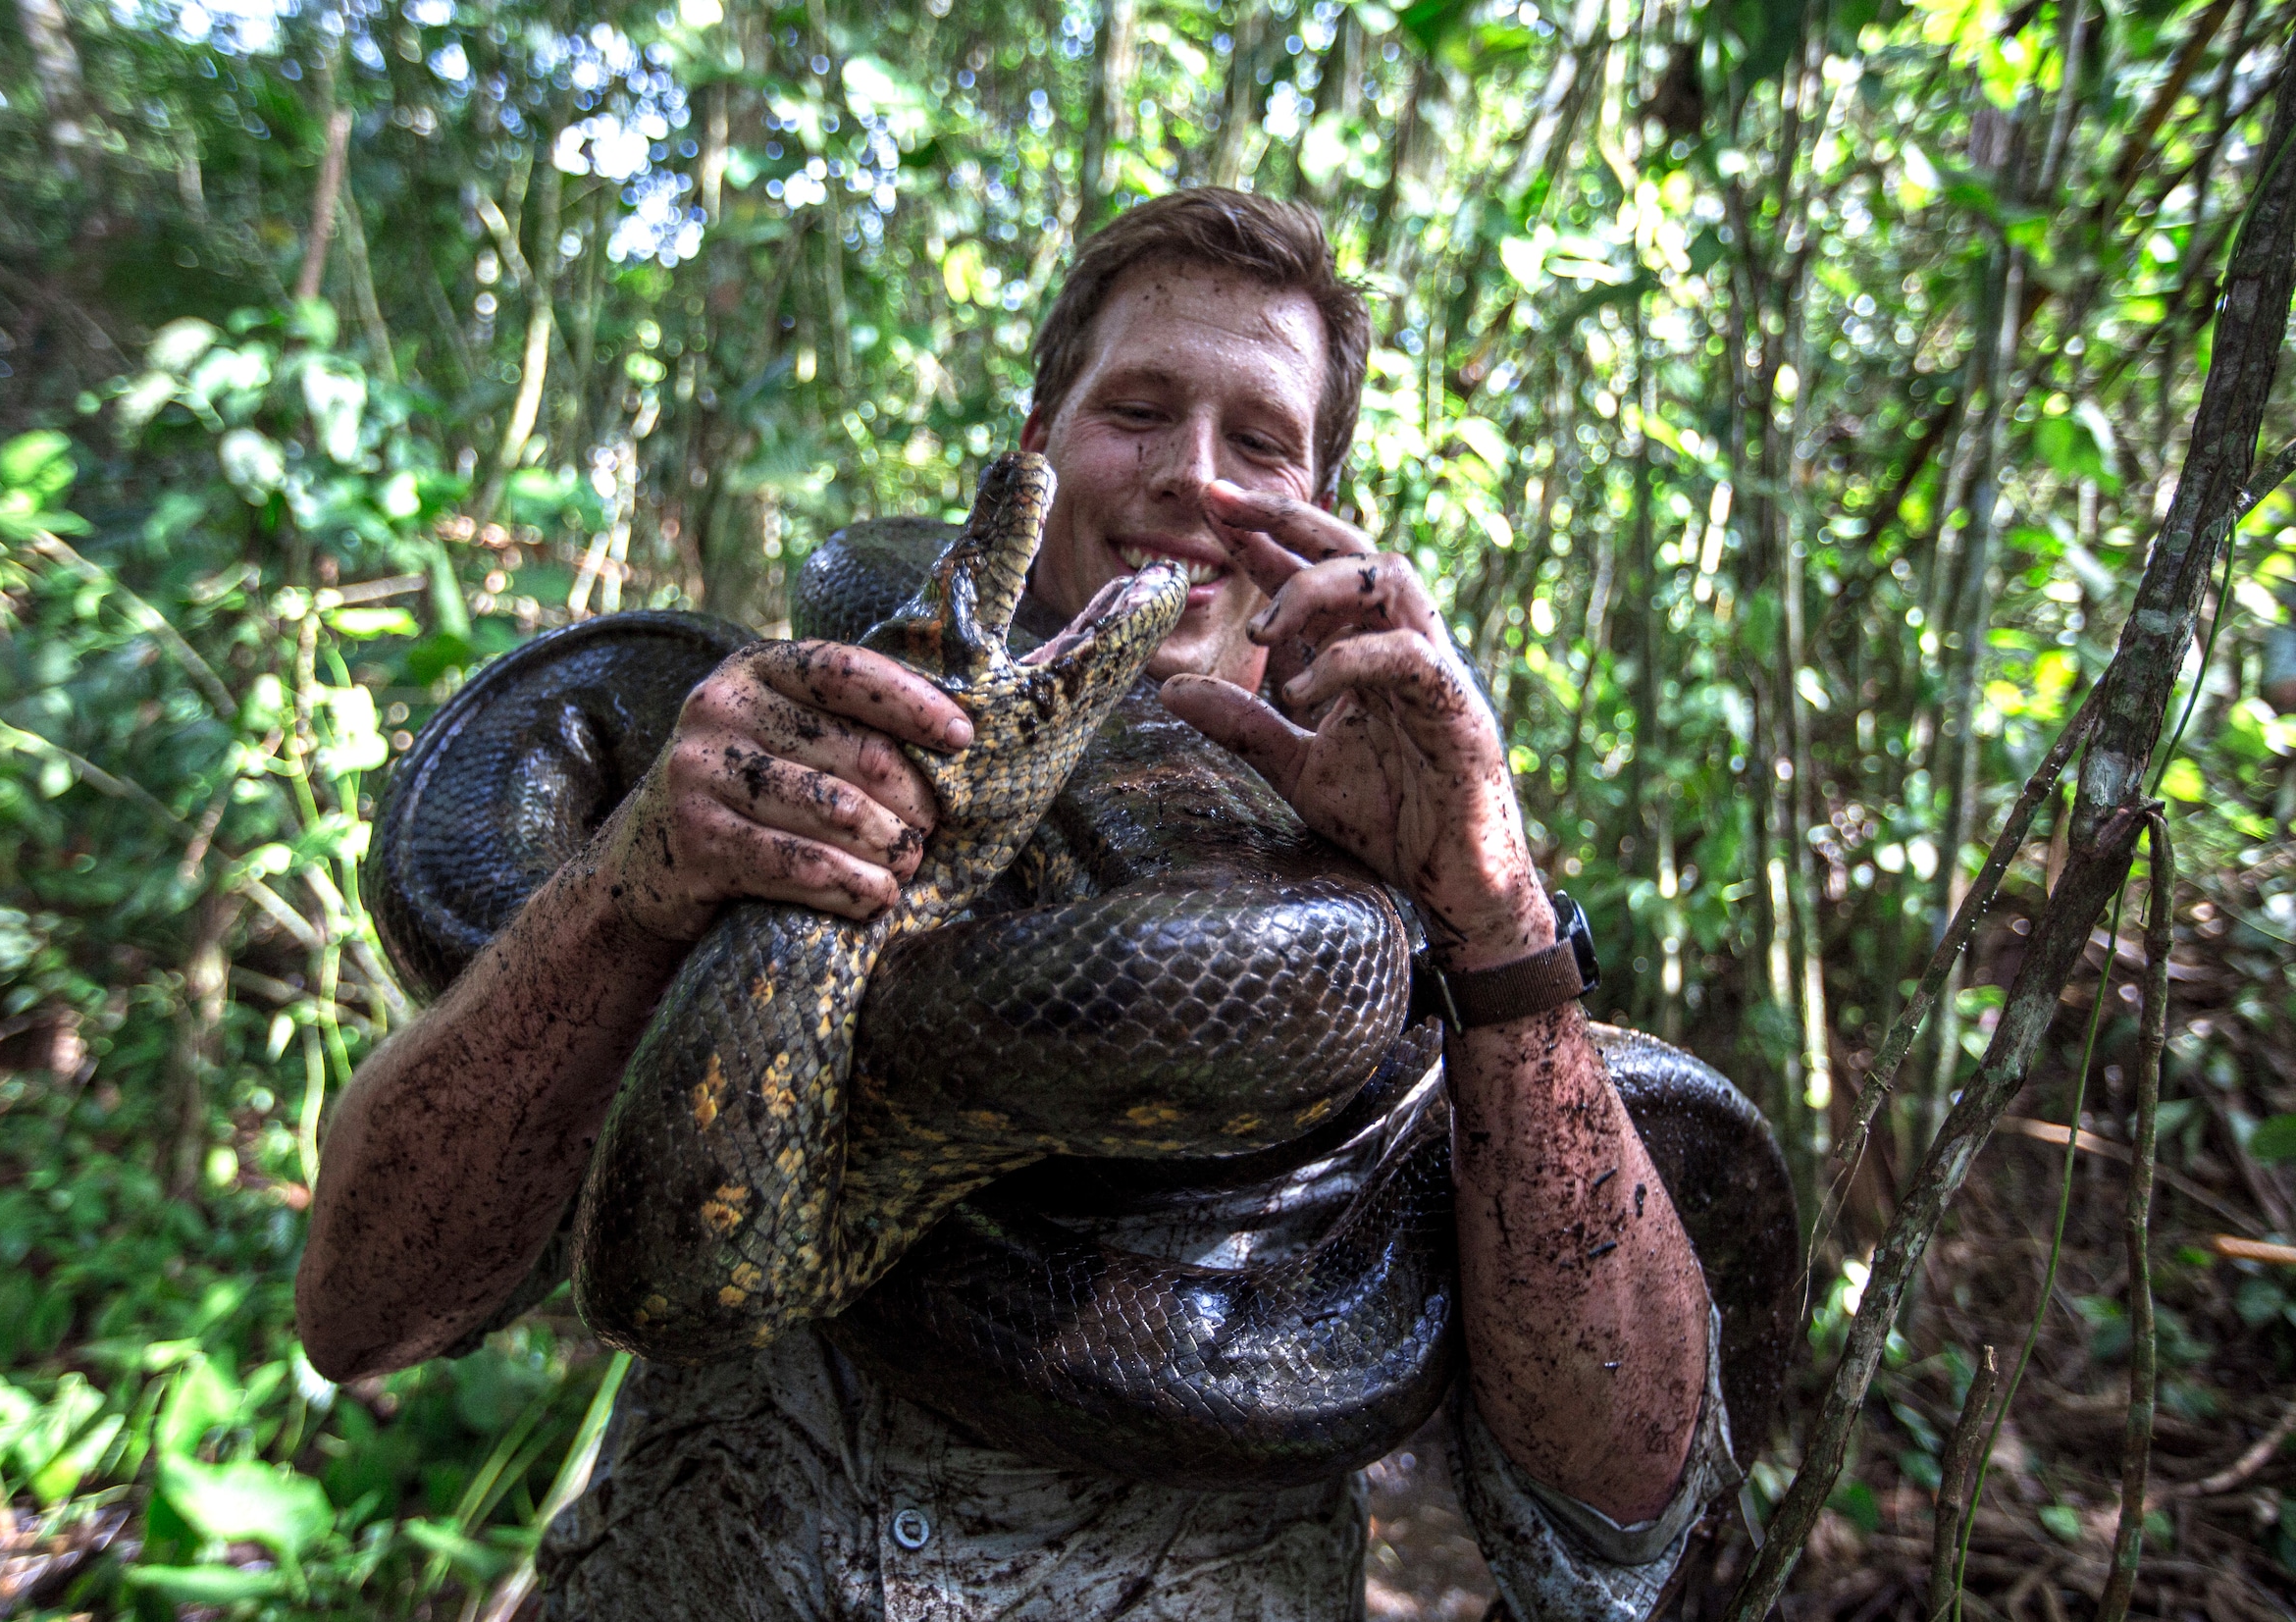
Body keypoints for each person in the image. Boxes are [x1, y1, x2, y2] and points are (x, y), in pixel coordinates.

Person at [297, 188, 1736, 1620]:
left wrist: (1490, 924)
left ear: (1321, 510)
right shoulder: (772, 771)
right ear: (1038, 449)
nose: (1191, 474)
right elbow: (366, 1304)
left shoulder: (1404, 893)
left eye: (1259, 442)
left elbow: (1624, 1507)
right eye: (1141, 409)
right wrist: (624, 896)